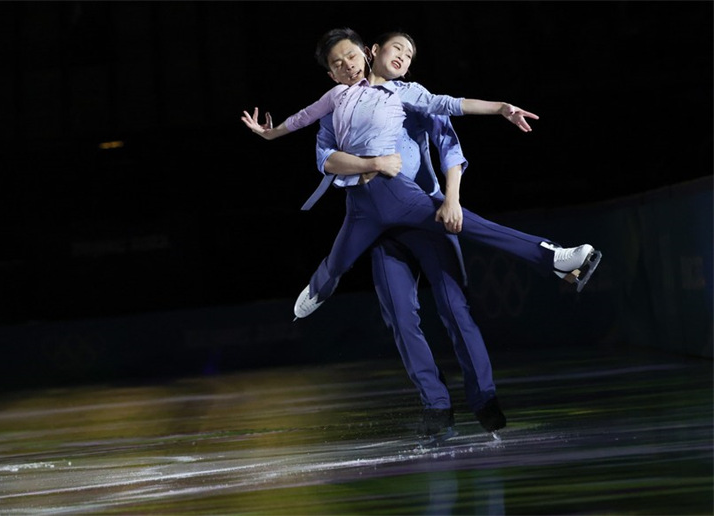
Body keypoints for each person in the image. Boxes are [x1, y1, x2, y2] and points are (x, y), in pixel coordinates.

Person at [242, 28, 601, 437]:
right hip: (372, 216)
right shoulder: (336, 103)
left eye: (409, 54)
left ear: (364, 53)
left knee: (455, 307)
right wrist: (373, 163)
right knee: (398, 314)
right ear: (372, 51)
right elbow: (326, 159)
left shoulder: (409, 93)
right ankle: (436, 407)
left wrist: (452, 194)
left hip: (423, 208)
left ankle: (485, 397)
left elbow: (450, 141)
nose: (401, 57)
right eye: (396, 48)